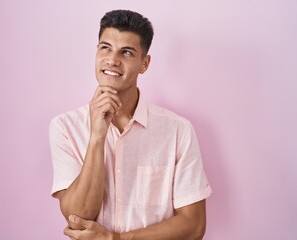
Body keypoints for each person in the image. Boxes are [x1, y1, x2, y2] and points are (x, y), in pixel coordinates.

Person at [49, 9, 212, 240]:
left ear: (144, 63)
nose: (112, 60)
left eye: (126, 52)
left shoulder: (178, 130)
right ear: (96, 52)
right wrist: (97, 136)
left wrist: (115, 239)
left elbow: (194, 226)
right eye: (105, 47)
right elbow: (77, 217)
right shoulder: (64, 128)